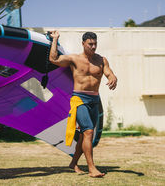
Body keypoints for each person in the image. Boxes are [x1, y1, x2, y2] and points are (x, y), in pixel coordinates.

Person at [49, 31, 117, 178]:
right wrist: (55, 40)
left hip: (94, 100)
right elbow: (53, 59)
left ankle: (73, 163)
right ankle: (92, 168)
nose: (93, 47)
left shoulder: (101, 60)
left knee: (83, 136)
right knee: (88, 132)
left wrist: (113, 77)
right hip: (79, 99)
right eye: (90, 44)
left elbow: (108, 72)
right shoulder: (74, 59)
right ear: (83, 44)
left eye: (95, 44)